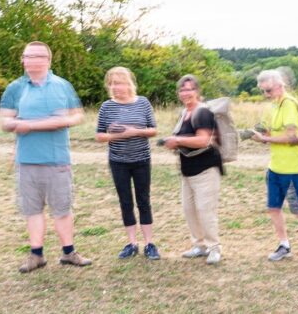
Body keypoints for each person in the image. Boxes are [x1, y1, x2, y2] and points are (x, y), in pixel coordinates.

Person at [0, 41, 91, 273]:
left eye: (38, 56)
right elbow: (4, 121)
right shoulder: (15, 88)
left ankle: (69, 252)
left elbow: (78, 116)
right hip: (27, 161)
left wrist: (32, 124)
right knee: (32, 210)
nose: (32, 60)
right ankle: (36, 255)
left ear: (48, 60)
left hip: (57, 160)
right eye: (28, 56)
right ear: (22, 60)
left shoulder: (62, 85)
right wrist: (35, 123)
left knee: (62, 209)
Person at [250, 69, 298, 266]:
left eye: (268, 90)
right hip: (275, 167)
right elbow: (275, 133)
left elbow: (291, 137)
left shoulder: (289, 103)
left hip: (293, 168)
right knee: (274, 208)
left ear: (280, 85)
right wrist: (262, 135)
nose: (266, 95)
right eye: (263, 91)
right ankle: (284, 245)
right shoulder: (275, 105)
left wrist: (266, 139)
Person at [95, 67, 160, 260]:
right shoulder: (107, 107)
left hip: (141, 160)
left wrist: (135, 132)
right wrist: (118, 135)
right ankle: (132, 244)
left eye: (119, 83)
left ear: (128, 84)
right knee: (125, 202)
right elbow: (99, 136)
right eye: (112, 84)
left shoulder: (143, 103)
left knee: (144, 201)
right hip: (118, 162)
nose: (115, 87)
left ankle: (149, 244)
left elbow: (153, 130)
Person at [163, 75, 223, 265]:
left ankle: (214, 248)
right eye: (182, 90)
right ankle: (199, 245)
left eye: (189, 89)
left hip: (206, 169)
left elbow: (203, 140)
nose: (185, 93)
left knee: (205, 211)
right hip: (187, 170)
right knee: (190, 210)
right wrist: (173, 142)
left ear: (197, 91)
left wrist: (177, 140)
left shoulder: (202, 112)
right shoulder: (184, 112)